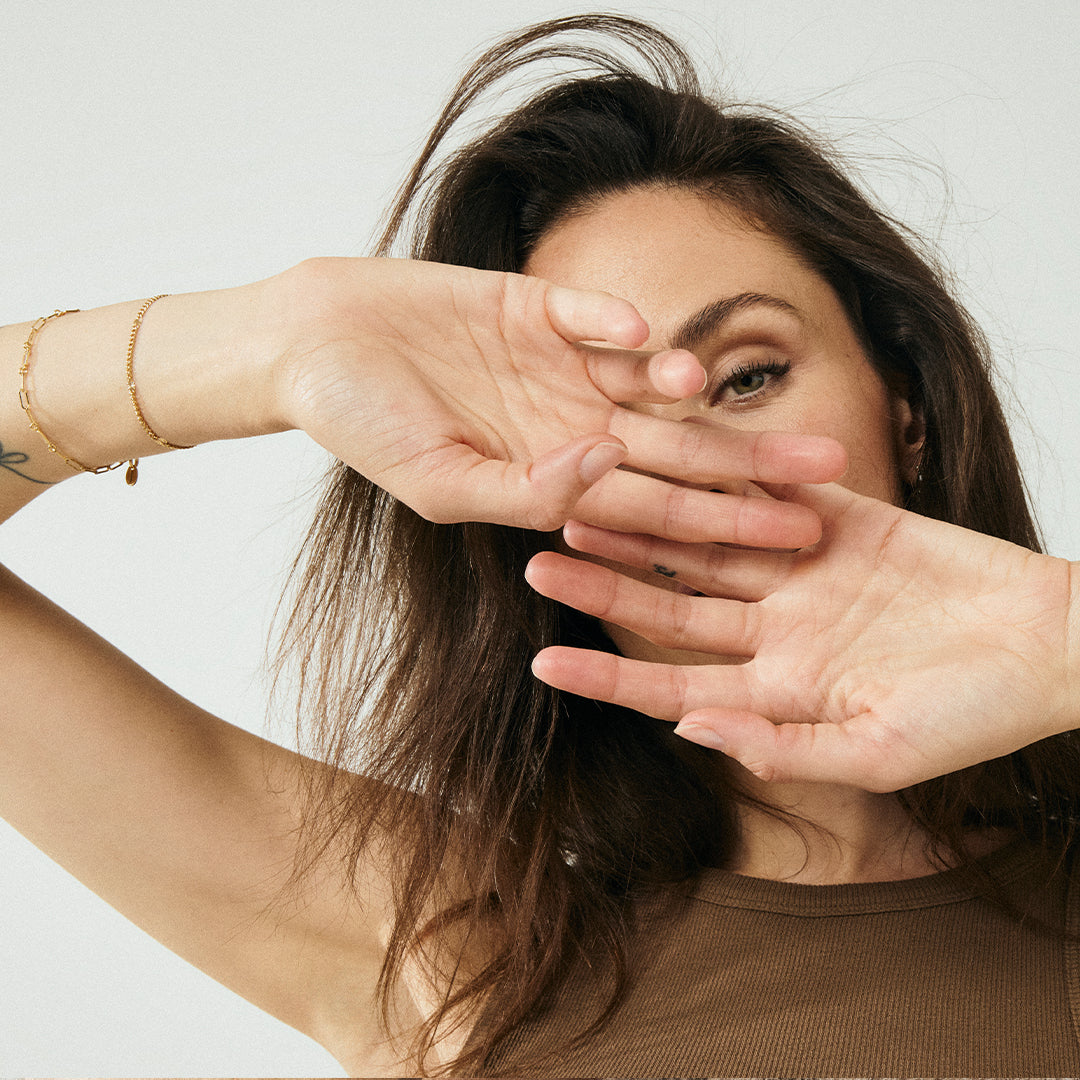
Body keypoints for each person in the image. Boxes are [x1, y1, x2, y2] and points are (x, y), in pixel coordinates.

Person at [1, 13, 1077, 1077]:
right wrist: (279, 340)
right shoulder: (459, 947)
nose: (686, 462)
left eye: (750, 374)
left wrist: (1063, 635)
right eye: (596, 426)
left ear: (910, 409)